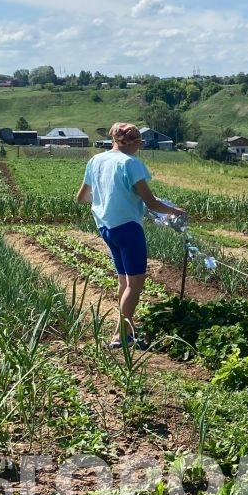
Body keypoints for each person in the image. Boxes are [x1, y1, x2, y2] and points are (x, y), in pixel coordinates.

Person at [76, 122, 185, 346]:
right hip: (128, 227)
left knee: (124, 281)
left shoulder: (96, 160)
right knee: (135, 284)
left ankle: (128, 327)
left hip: (106, 227)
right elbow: (152, 203)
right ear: (134, 142)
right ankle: (120, 336)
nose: (139, 147)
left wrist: (106, 199)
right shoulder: (131, 163)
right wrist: (175, 211)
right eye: (139, 143)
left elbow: (82, 197)